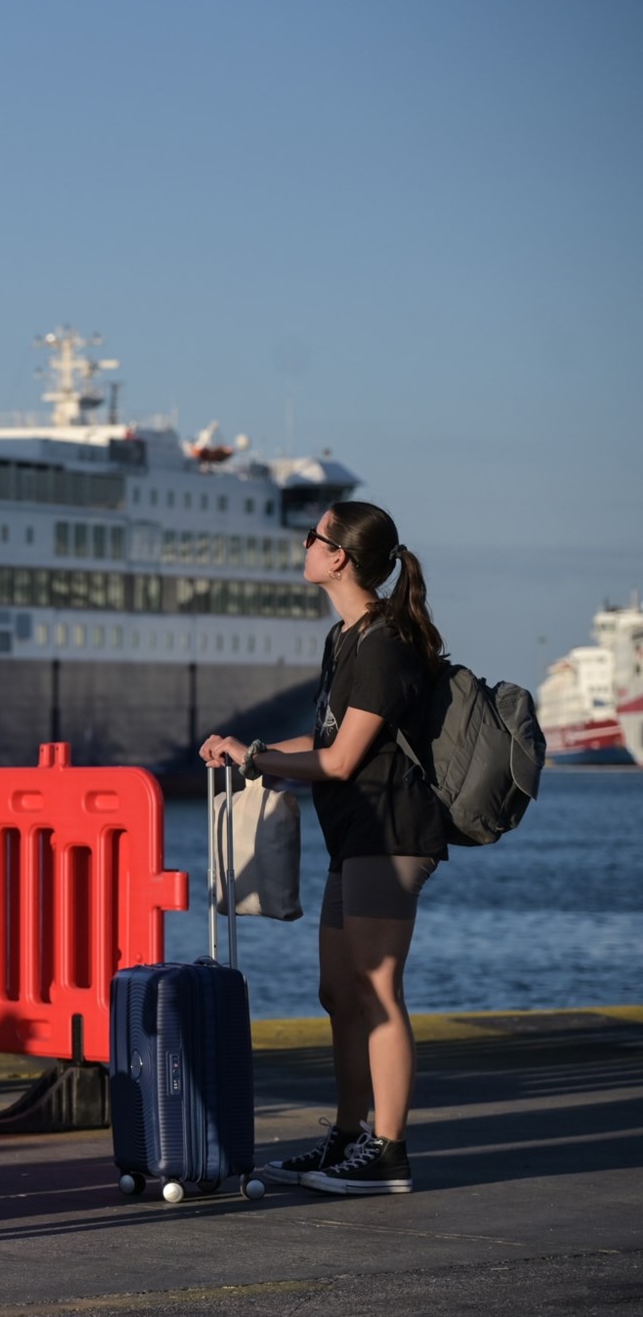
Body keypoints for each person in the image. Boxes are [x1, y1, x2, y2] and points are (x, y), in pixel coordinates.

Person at [200, 500, 447, 1195]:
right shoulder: (345, 637)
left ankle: (389, 1150)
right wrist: (249, 751)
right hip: (355, 837)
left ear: (338, 555)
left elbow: (341, 764)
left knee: (376, 992)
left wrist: (261, 758)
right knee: (339, 991)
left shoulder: (384, 644)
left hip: (391, 833)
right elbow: (327, 741)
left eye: (314, 536)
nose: (304, 544)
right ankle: (347, 1135)